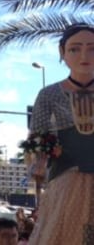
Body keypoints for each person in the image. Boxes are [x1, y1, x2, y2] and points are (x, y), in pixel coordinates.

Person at [27, 23, 94, 244]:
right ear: (62, 52)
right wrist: (41, 158)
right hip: (66, 181)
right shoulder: (49, 94)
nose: (84, 55)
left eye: (92, 48)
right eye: (75, 48)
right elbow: (36, 138)